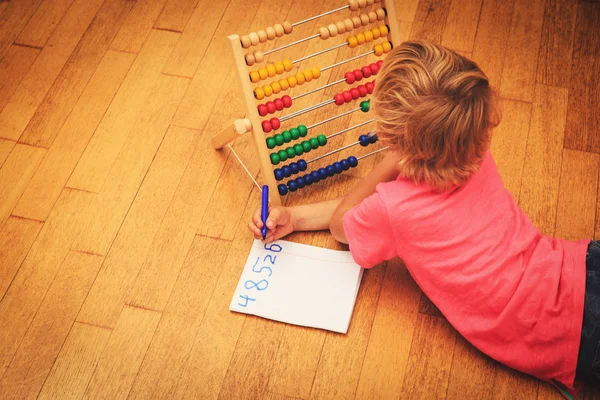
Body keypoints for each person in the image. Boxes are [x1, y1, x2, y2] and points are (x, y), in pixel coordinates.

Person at [248, 40, 597, 397]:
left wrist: (391, 159)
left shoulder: (393, 209)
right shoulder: (472, 153)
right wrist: (294, 216)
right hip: (577, 269)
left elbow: (345, 222)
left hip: (562, 330)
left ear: (393, 138)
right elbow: (372, 206)